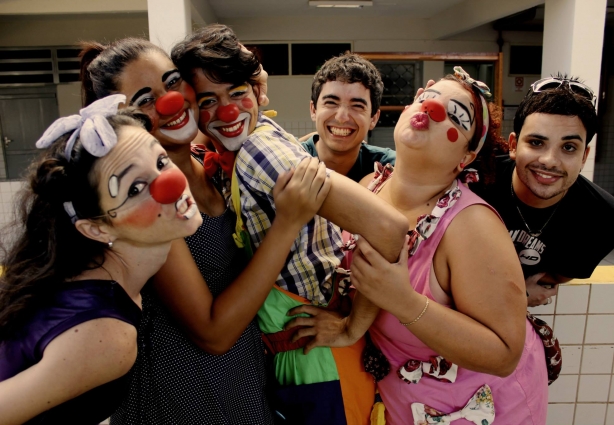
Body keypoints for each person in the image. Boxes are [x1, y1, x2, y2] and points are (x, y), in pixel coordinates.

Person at [80, 36, 331, 425]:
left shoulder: (208, 161)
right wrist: (288, 224)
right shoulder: (150, 198)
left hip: (245, 379)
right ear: (121, 120)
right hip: (185, 392)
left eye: (174, 81)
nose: (171, 101)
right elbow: (212, 333)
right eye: (146, 99)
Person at [172, 25, 408, 425]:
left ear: (256, 93)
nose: (226, 112)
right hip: (301, 352)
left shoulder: (261, 153)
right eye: (208, 100)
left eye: (236, 94)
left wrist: (353, 326)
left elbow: (388, 227)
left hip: (316, 358)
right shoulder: (248, 141)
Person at [287, 68, 548, 424]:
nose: (434, 110)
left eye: (456, 116)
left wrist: (404, 301)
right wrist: (346, 322)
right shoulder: (368, 188)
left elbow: (504, 355)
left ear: (466, 157)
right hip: (403, 403)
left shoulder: (471, 225)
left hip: (482, 407)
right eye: (426, 99)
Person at [0, 96, 203, 424]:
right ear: (94, 227)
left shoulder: (86, 273)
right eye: (136, 188)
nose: (172, 184)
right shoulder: (107, 334)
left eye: (161, 162)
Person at [472, 76, 614, 307]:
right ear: (514, 146)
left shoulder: (603, 217)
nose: (550, 161)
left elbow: (556, 277)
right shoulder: (474, 179)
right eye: (537, 142)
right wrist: (514, 293)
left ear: (584, 157)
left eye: (568, 147)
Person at [301, 53, 395, 182]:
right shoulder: (289, 159)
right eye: (331, 103)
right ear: (313, 110)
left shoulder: (387, 166)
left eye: (357, 106)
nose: (342, 117)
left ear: (373, 118)